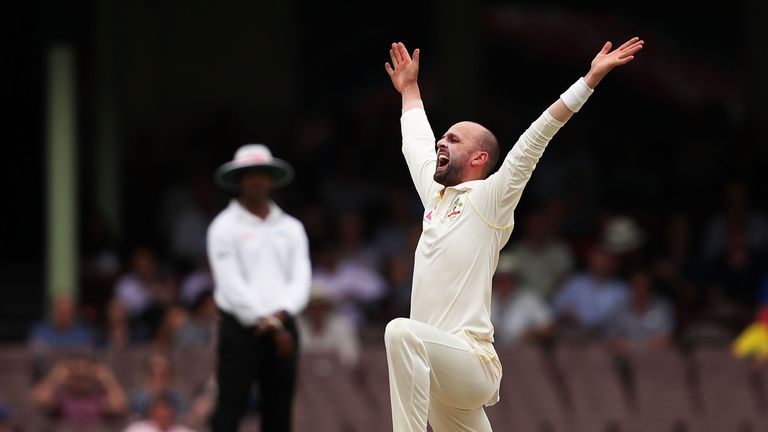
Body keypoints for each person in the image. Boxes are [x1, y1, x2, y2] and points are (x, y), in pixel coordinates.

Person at [382, 38, 643, 431]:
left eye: (453, 139)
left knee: (399, 331)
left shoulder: (491, 198)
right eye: (444, 136)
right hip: (437, 377)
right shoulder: (435, 197)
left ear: (479, 159)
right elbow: (414, 141)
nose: (441, 141)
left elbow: (535, 139)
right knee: (407, 337)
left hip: (470, 362)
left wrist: (588, 80)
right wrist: (410, 90)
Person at [207, 144, 312, 432]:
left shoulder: (291, 227)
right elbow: (230, 285)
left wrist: (279, 319)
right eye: (249, 174)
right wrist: (268, 322)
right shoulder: (223, 227)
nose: (256, 180)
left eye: (262, 174)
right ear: (239, 180)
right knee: (229, 409)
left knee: (279, 414)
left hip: (283, 326)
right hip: (242, 330)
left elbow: (301, 279)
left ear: (271, 179)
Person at [30, 353, 127, 431]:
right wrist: (55, 376)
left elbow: (119, 406)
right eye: (77, 377)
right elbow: (39, 399)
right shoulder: (63, 396)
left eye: (85, 377)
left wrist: (107, 378)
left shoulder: (100, 396)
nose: (81, 379)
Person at [123, 392, 197, 432]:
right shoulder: (136, 429)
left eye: (166, 408)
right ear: (152, 412)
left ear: (173, 411)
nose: (163, 414)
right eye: (158, 409)